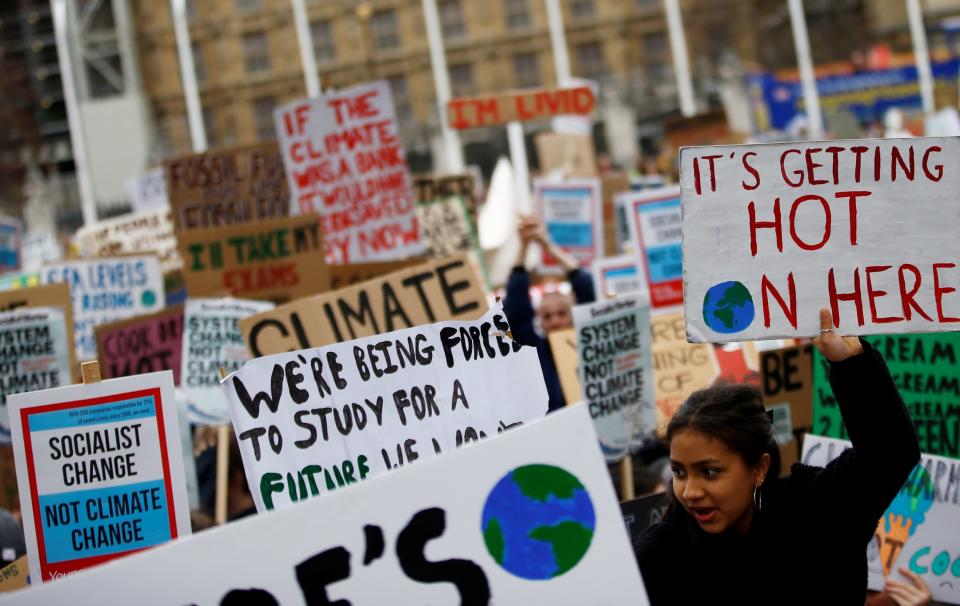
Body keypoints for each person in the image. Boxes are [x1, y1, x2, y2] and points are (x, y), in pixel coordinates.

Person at [634, 308, 920, 605]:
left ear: (759, 468)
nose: (689, 491)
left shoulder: (818, 510)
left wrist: (851, 363)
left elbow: (890, 454)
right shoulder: (659, 558)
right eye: (679, 472)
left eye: (709, 472)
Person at [503, 215, 595, 412]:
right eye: (547, 316)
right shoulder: (535, 353)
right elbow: (516, 309)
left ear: (572, 316)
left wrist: (547, 245)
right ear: (540, 324)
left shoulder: (590, 344)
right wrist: (523, 246)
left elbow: (587, 289)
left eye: (562, 313)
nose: (555, 321)